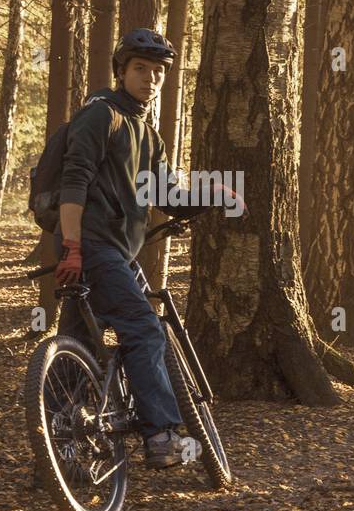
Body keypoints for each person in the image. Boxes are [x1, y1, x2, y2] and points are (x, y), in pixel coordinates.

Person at [51, 28, 246, 469]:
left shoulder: (148, 134)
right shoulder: (102, 116)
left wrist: (214, 194)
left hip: (113, 251)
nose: (151, 78)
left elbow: (166, 194)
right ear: (121, 71)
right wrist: (72, 247)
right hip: (92, 247)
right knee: (144, 327)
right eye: (141, 69)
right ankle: (160, 435)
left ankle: (58, 449)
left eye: (158, 72)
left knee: (76, 344)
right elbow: (74, 181)